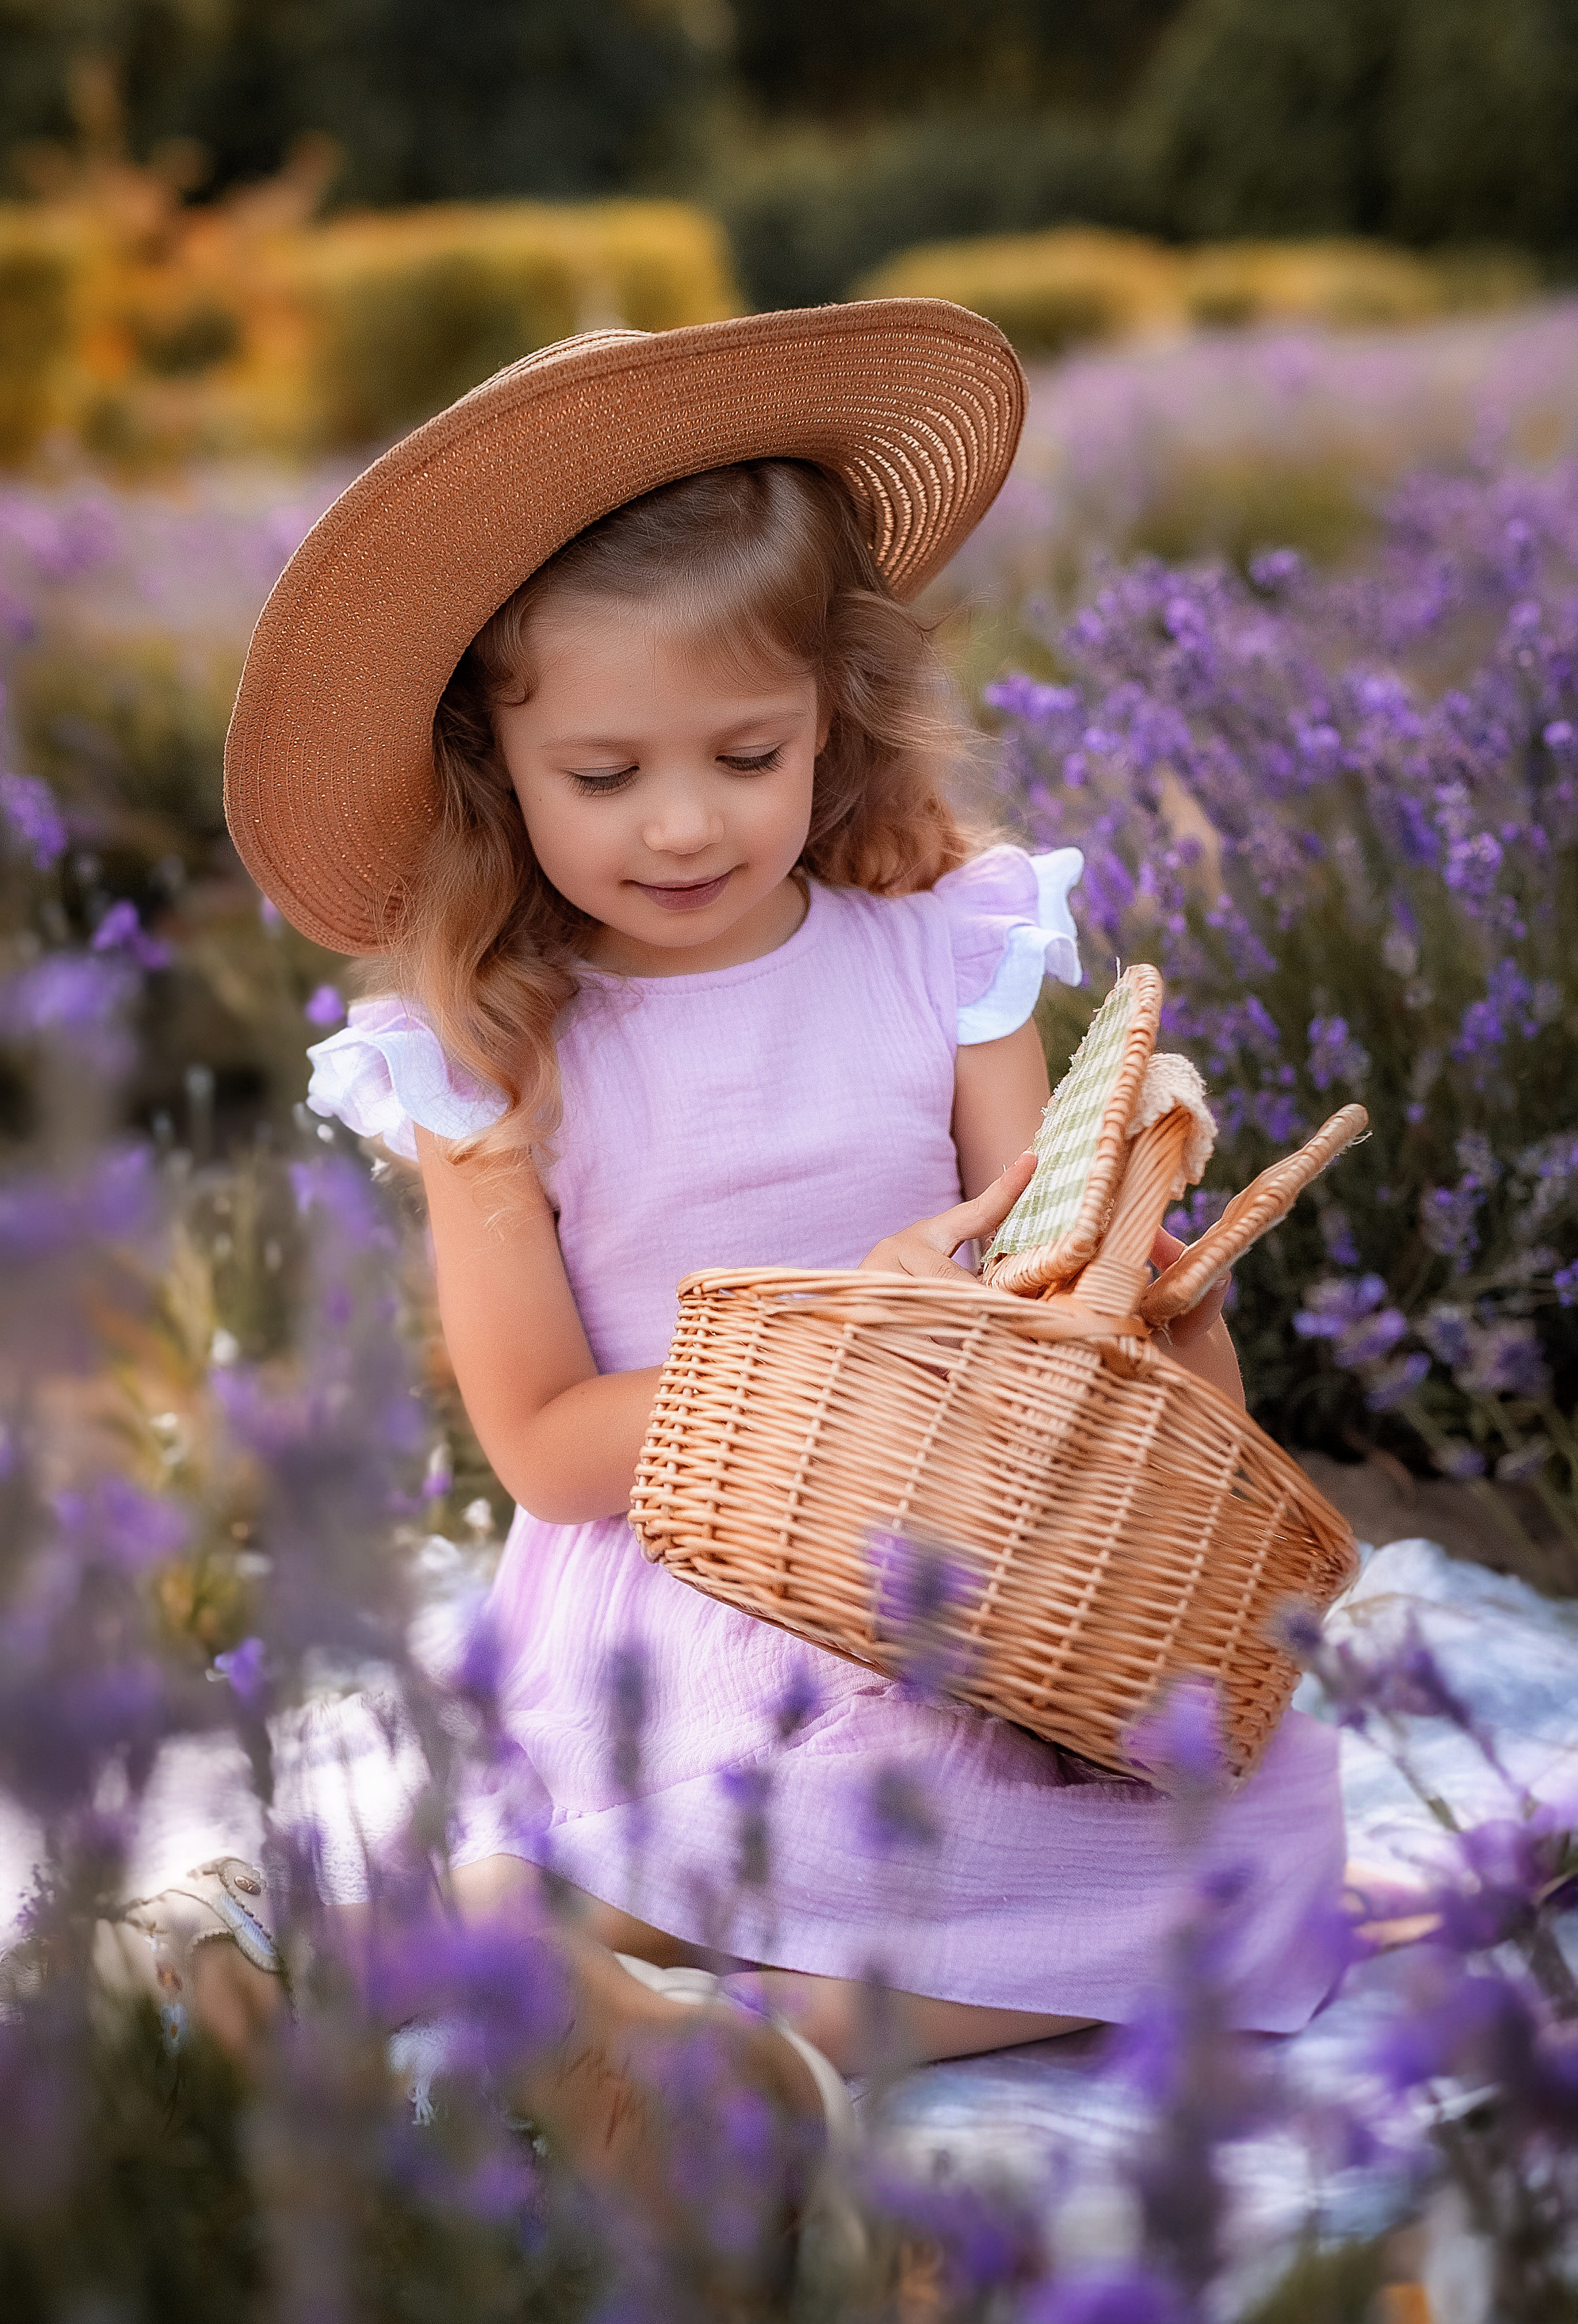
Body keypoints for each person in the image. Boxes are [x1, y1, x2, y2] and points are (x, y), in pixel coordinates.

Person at [186, 306, 1346, 2185]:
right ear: (494, 759)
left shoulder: (948, 951)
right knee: (793, 1803)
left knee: (1272, 1825)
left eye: (746, 752)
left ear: (834, 715)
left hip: (972, 1569)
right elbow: (544, 1445)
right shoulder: (489, 1054)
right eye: (605, 773)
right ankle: (418, 1927)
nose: (682, 822)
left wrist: (1159, 1324)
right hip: (687, 1587)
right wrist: (820, 1360)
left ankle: (742, 2055)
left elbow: (1058, 1295)